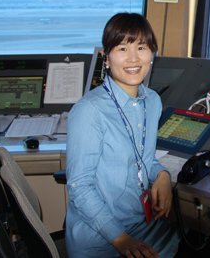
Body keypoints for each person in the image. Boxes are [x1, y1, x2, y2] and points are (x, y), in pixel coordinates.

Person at [65, 13, 180, 257]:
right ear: (106, 58)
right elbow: (79, 187)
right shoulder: (89, 111)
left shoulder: (152, 101)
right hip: (99, 237)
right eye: (122, 48)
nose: (133, 58)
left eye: (141, 47)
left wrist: (161, 175)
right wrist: (121, 240)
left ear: (152, 55)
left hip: (139, 224)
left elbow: (141, 157)